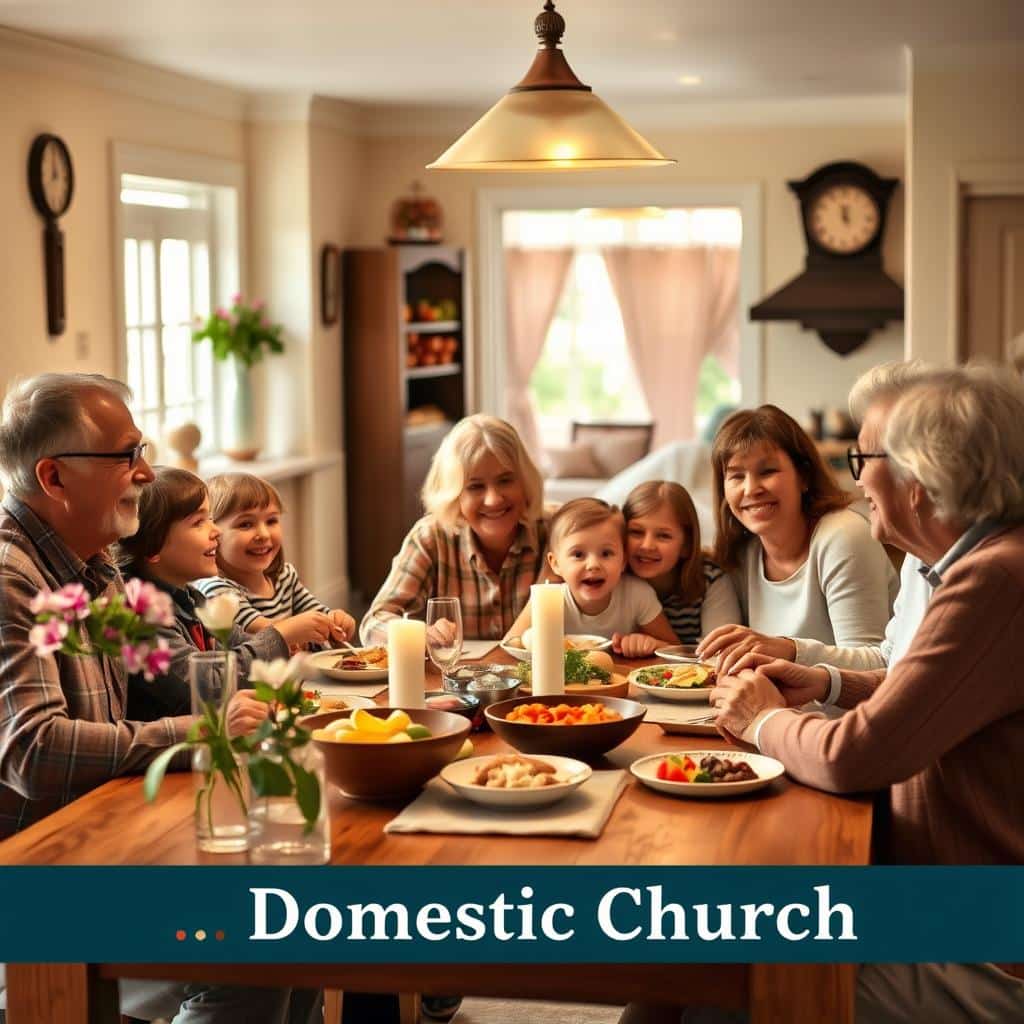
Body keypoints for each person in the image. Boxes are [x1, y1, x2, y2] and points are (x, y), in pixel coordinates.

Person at [705, 366, 1024, 1020]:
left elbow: (858, 756)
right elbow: (925, 691)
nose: (854, 479)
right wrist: (826, 681)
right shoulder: (967, 563)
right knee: (693, 951)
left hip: (981, 940)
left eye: (865, 457)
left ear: (923, 474)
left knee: (723, 972)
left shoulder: (995, 579)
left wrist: (764, 721)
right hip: (932, 892)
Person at [0, 373, 318, 1024]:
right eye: (126, 456)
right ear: (54, 478)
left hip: (105, 835)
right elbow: (33, 751)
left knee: (298, 909)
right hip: (37, 882)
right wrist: (199, 734)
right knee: (257, 946)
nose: (146, 473)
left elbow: (177, 675)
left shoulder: (96, 563)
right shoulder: (11, 579)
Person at [696, 405, 897, 675]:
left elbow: (877, 664)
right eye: (736, 476)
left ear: (803, 476)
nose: (751, 489)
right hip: (769, 710)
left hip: (845, 716)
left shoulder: (844, 536)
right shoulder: (743, 550)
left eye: (767, 471)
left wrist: (789, 649)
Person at [117, 467, 329, 720]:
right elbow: (207, 686)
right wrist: (281, 636)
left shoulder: (191, 599)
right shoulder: (140, 617)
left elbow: (239, 645)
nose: (215, 530)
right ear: (153, 546)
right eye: (198, 522)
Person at [361, 414, 550, 645]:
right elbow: (373, 623)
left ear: (524, 481)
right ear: (454, 494)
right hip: (449, 680)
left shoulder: (556, 529)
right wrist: (418, 634)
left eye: (505, 480)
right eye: (475, 486)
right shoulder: (430, 538)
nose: (493, 499)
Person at [195, 471, 355, 645]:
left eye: (271, 521)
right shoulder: (217, 591)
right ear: (214, 533)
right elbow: (267, 632)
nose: (263, 534)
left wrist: (336, 622)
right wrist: (310, 628)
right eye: (245, 524)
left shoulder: (285, 577)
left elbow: (319, 616)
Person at [506, 498, 677, 657]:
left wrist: (651, 643)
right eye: (578, 554)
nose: (593, 564)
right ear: (555, 563)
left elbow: (675, 649)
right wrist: (533, 640)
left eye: (606, 553)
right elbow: (510, 645)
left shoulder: (637, 595)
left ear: (623, 560)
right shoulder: (548, 598)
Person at [623, 480, 740, 645]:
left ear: (686, 545)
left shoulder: (710, 579)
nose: (647, 545)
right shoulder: (613, 579)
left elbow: (721, 649)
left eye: (663, 535)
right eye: (636, 532)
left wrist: (661, 647)